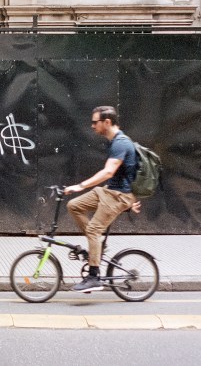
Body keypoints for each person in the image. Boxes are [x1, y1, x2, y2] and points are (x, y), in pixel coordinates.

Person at [64, 106, 138, 293]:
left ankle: (94, 276)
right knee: (74, 205)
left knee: (93, 229)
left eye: (95, 122)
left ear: (107, 122)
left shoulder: (121, 143)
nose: (92, 125)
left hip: (118, 196)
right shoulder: (114, 142)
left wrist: (80, 186)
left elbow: (108, 172)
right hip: (108, 191)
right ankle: (95, 248)